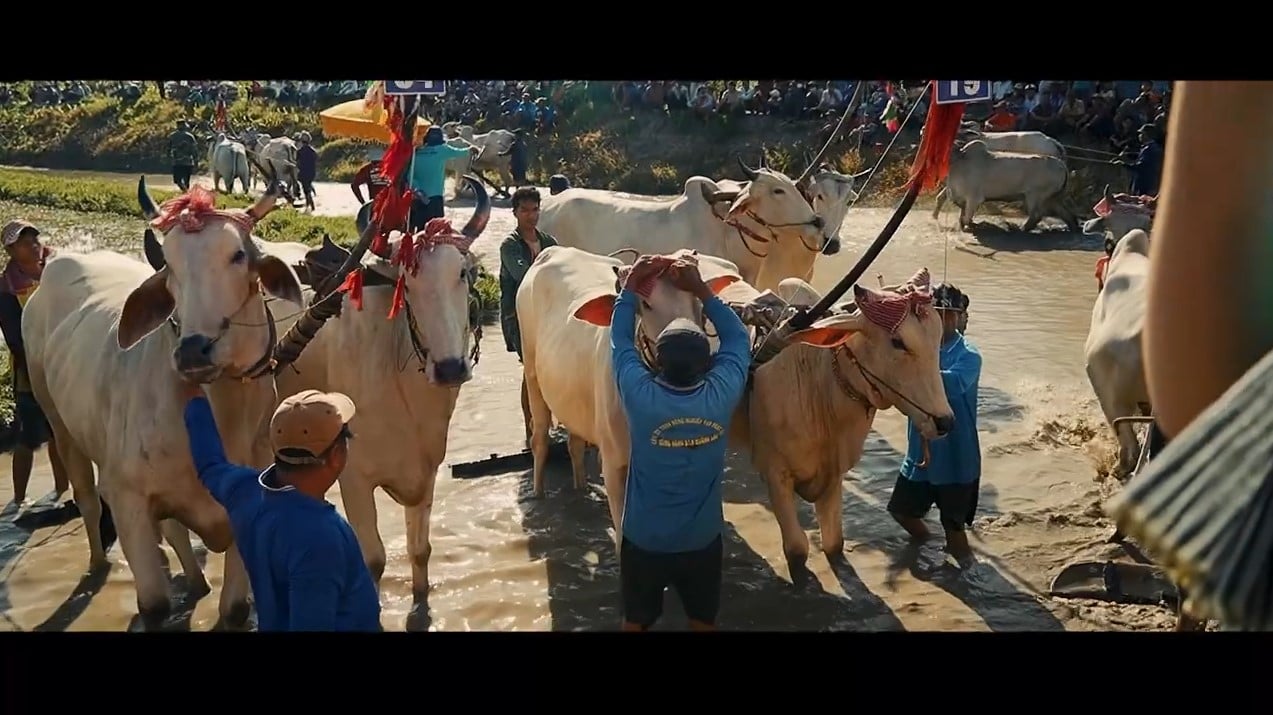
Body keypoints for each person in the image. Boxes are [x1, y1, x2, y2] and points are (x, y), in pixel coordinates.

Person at [611, 254, 751, 632]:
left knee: (634, 623)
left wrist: (629, 288)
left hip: (643, 539)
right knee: (703, 621)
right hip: (702, 541)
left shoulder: (638, 395)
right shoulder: (723, 394)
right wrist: (702, 290)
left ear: (655, 356)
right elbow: (738, 339)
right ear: (708, 362)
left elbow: (620, 340)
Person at [179, 384, 381, 631]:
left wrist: (195, 401)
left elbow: (210, 466)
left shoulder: (246, 492)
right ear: (337, 456)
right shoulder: (320, 538)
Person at [886, 283, 983, 566]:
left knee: (954, 529)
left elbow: (952, 384)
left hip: (956, 457)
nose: (942, 320)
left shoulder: (969, 355)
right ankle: (926, 545)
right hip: (920, 454)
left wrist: (914, 366)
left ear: (960, 317)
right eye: (933, 314)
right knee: (901, 512)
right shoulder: (914, 351)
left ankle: (967, 577)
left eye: (948, 314)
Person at [0, 220, 69, 506]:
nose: (33, 243)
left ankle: (62, 491)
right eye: (25, 241)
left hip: (63, 364)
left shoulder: (57, 271)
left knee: (60, 434)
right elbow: (14, 337)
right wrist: (36, 365)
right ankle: (18, 500)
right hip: (30, 369)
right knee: (27, 438)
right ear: (12, 250)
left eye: (34, 238)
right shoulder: (6, 288)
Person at [499, 187, 558, 441]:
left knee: (550, 368)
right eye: (524, 210)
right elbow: (525, 277)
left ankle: (550, 423)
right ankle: (531, 428)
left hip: (548, 314)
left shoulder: (549, 242)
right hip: (518, 315)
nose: (530, 215)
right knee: (531, 370)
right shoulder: (509, 246)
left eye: (534, 210)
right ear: (515, 213)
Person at [410, 126, 478, 225]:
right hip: (435, 197)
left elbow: (409, 176)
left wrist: (417, 190)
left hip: (417, 197)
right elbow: (458, 152)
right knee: (435, 228)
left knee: (419, 228)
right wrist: (471, 149)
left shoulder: (416, 154)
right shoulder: (441, 150)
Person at [1113, 123, 1165, 196]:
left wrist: (1124, 164)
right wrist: (1129, 155)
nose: (1139, 136)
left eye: (1141, 133)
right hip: (1149, 182)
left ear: (1147, 134)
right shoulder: (1152, 147)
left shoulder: (1150, 149)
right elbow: (1141, 156)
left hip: (1144, 184)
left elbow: (1141, 166)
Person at [168, 120, 198, 192]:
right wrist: (196, 161)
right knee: (186, 181)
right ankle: (186, 192)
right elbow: (194, 150)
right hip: (187, 162)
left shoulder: (172, 136)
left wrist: (168, 157)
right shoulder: (190, 136)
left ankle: (185, 192)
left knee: (178, 181)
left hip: (177, 162)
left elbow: (168, 148)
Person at [295, 130, 318, 212]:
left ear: (301, 141)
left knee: (306, 190)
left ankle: (311, 205)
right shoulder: (313, 151)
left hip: (303, 173)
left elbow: (296, 162)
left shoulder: (300, 151)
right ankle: (309, 205)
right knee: (307, 188)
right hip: (312, 173)